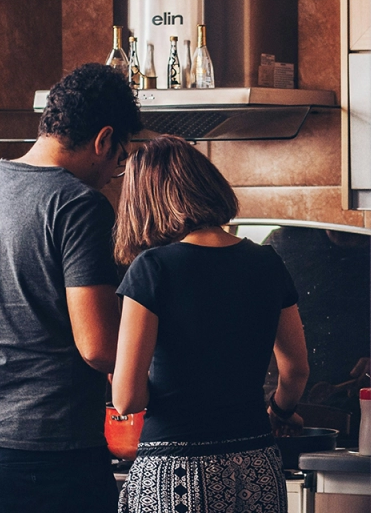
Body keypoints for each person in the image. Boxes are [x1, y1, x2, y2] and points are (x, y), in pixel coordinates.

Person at [0, 63, 142, 513]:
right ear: (103, 139)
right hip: (47, 454)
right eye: (119, 157)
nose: (114, 172)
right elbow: (99, 347)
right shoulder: (78, 205)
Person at [111, 135, 310, 513]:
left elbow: (127, 398)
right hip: (257, 465)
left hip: (176, 474)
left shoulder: (152, 269)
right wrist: (280, 412)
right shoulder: (268, 263)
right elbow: (297, 369)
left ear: (145, 202)